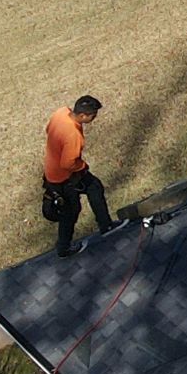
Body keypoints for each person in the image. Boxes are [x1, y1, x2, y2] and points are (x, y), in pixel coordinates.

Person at [43, 94, 113, 256]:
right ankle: (63, 248)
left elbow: (48, 129)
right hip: (64, 178)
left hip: (51, 172)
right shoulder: (73, 135)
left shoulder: (61, 113)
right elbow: (67, 163)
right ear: (83, 116)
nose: (94, 118)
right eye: (93, 116)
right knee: (71, 210)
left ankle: (106, 225)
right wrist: (82, 166)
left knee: (94, 186)